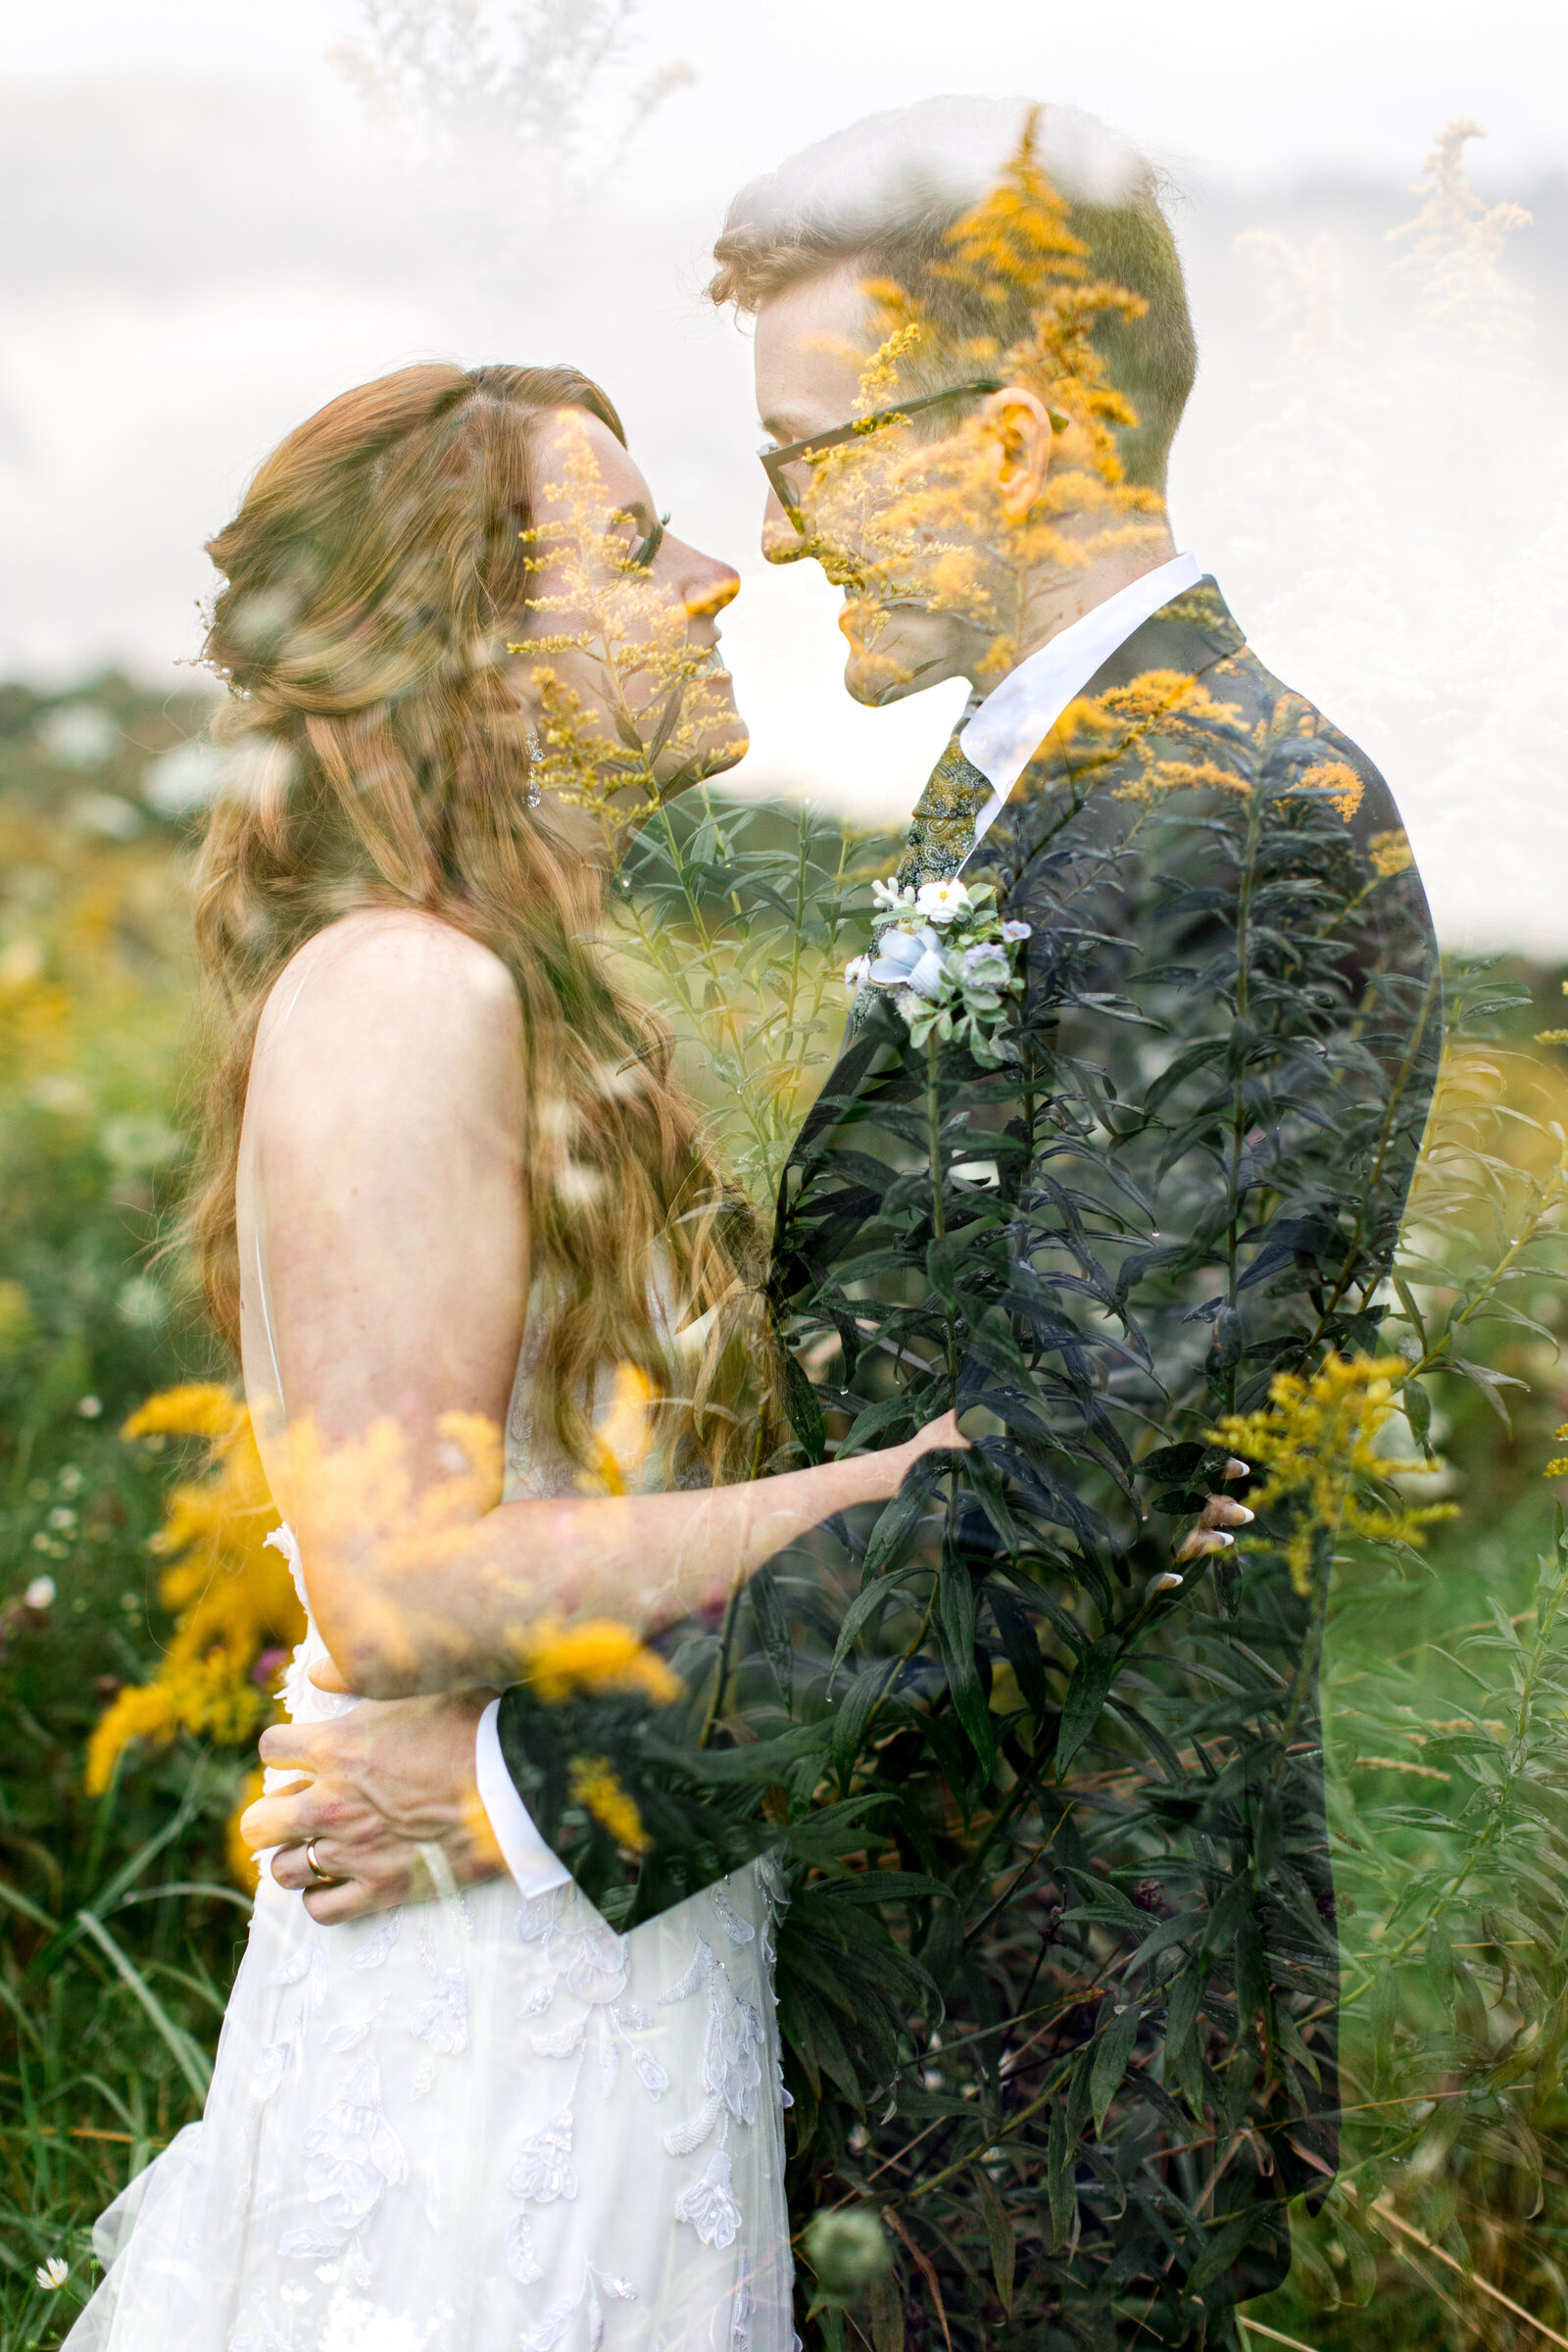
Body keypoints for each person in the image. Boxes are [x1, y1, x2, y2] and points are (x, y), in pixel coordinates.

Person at [256, 96, 1440, 2342]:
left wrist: (517, 1793)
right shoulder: (1034, 800)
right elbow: (974, 1438)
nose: (775, 548)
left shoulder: (1223, 817)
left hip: (1063, 2018)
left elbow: (1060, 1500)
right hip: (882, 1986)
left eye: (804, 454)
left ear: (1002, 435)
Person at [64, 362, 962, 2352]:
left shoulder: (531, 999)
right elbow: (400, 1586)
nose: (722, 579)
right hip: (474, 2014)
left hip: (601, 1958)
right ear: (471, 646)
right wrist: (901, 1491)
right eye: (638, 546)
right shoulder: (403, 993)